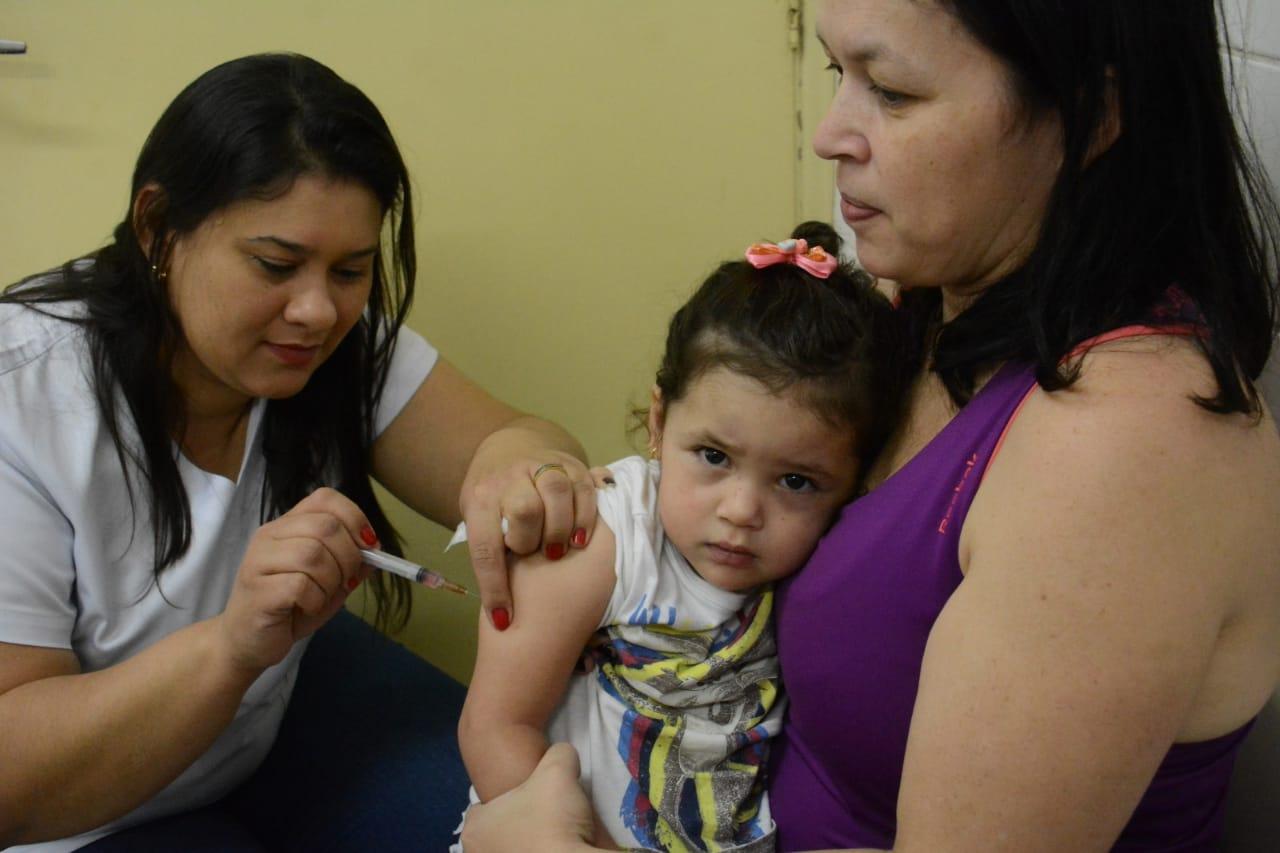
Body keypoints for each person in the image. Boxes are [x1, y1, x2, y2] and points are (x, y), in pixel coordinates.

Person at [458, 1, 1280, 851]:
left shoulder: (1129, 444)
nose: (830, 134)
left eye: (889, 91)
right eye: (835, 73)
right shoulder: (933, 303)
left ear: (1087, 114)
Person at [0, 53, 598, 852]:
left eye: (351, 270)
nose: (317, 310)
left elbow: (518, 441)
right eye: (275, 265)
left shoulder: (338, 350)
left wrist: (530, 472)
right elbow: (13, 783)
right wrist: (230, 644)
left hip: (265, 722)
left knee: (530, 812)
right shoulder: (24, 395)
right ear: (157, 228)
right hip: (78, 816)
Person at [454, 223, 901, 852]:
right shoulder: (607, 537)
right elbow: (495, 727)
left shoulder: (825, 570)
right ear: (660, 423)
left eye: (796, 481)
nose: (742, 510)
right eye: (714, 456)